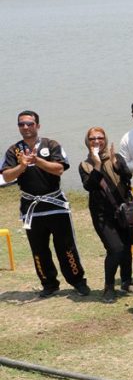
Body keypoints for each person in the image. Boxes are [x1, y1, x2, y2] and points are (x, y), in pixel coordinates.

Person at [2, 110, 89, 298]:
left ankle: (77, 281)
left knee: (66, 246)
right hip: (31, 208)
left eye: (30, 123)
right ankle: (49, 284)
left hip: (55, 204)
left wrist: (37, 161)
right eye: (21, 124)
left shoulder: (51, 145)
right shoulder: (13, 150)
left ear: (38, 125)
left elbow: (59, 169)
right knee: (39, 249)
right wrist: (22, 165)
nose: (25, 127)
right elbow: (7, 176)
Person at [79, 127, 133, 302]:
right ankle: (109, 287)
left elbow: (127, 176)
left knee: (126, 246)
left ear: (105, 139)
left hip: (123, 210)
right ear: (87, 142)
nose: (97, 141)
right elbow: (89, 186)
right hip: (102, 215)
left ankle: (126, 281)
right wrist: (97, 165)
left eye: (100, 138)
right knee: (115, 248)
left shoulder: (115, 157)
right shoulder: (85, 165)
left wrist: (117, 166)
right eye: (92, 138)